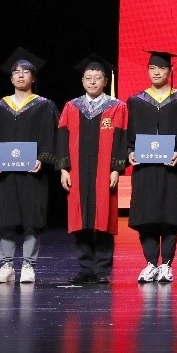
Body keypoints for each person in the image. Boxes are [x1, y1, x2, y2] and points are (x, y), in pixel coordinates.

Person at [0, 47, 60, 284]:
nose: (21, 75)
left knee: (31, 219)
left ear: (33, 77)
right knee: (4, 218)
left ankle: (28, 265)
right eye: (16, 72)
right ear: (11, 78)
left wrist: (42, 159)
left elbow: (52, 137)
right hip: (4, 174)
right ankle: (6, 265)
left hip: (32, 173)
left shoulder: (44, 106)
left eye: (26, 72)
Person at [56, 54, 126, 285]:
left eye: (97, 77)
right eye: (88, 78)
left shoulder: (116, 107)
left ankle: (103, 269)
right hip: (77, 172)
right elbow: (62, 138)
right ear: (83, 81)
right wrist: (64, 168)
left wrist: (116, 168)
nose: (93, 81)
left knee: (104, 218)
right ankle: (85, 268)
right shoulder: (71, 107)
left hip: (104, 172)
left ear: (105, 81)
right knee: (80, 219)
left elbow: (121, 140)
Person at [126, 50, 177, 284]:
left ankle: (166, 265)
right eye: (152, 68)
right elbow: (128, 135)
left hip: (171, 169)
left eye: (162, 68)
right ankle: (150, 264)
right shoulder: (136, 102)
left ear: (170, 71)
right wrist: (130, 152)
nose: (156, 72)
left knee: (169, 217)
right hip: (145, 170)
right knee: (146, 217)